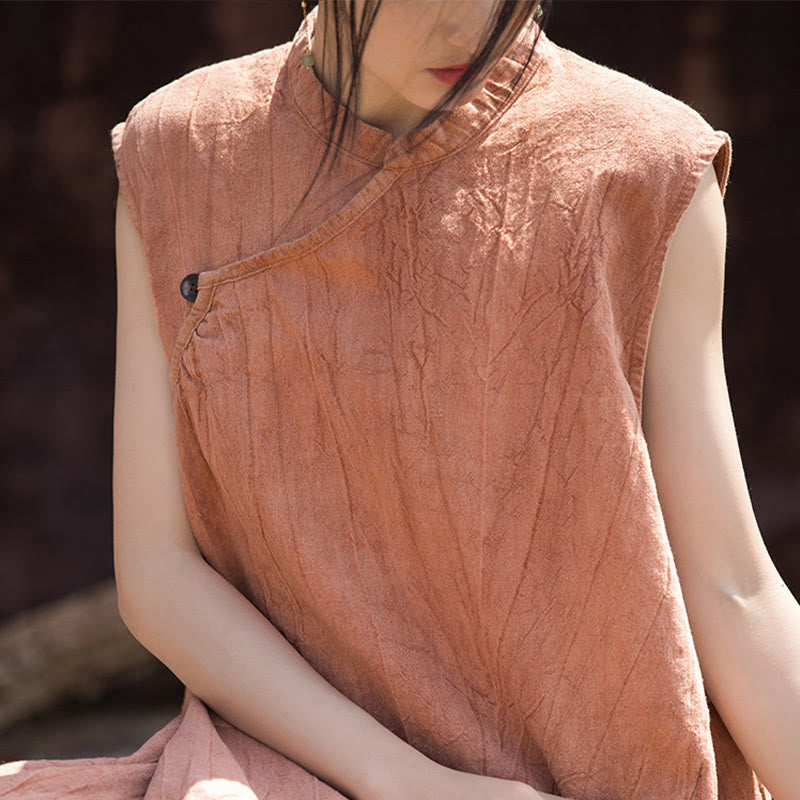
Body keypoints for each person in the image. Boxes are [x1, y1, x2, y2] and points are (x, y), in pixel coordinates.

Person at [1, 1, 798, 798]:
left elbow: (734, 588)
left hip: (604, 767)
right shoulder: (183, 149)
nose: (469, 29)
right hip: (295, 759)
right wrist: (410, 781)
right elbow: (158, 571)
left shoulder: (646, 161)